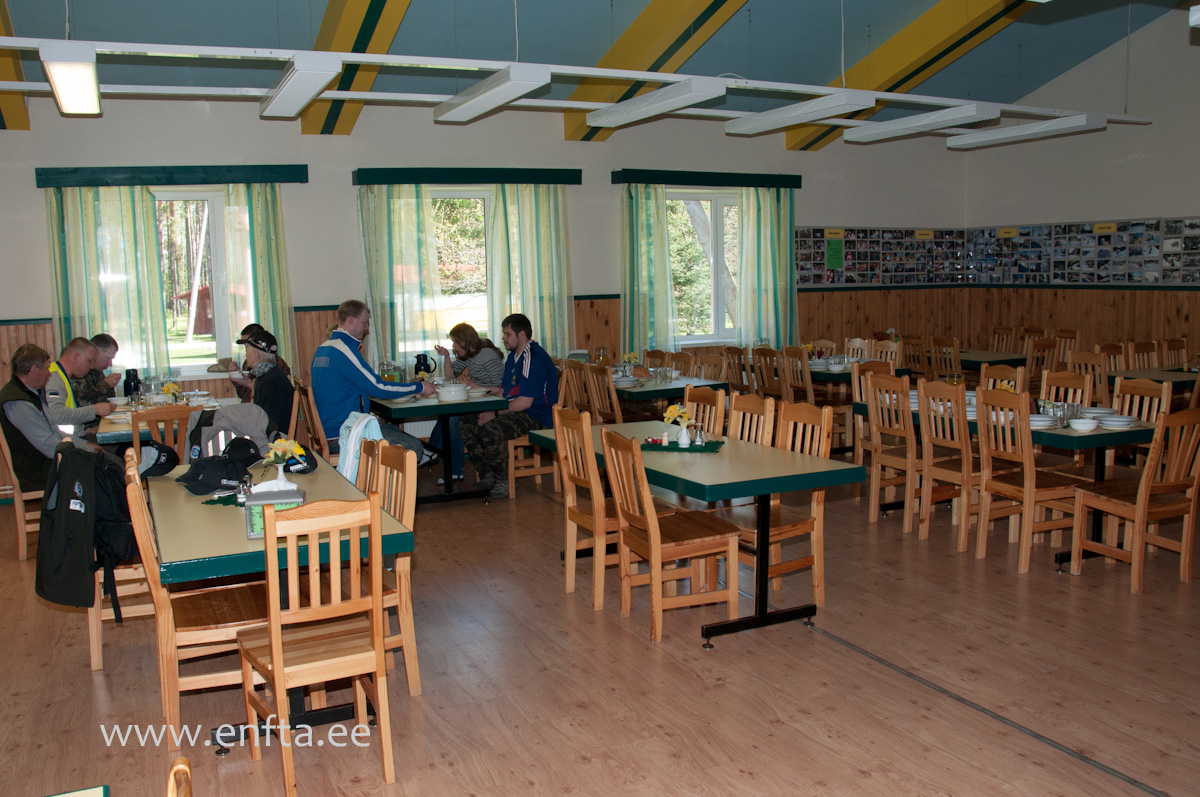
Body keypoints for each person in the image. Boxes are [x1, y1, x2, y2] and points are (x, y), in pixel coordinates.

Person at [310, 299, 435, 460]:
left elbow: (344, 390)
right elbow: (379, 387)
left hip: (330, 429)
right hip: (344, 434)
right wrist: (420, 387)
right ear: (351, 320)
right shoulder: (344, 350)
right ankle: (381, 484)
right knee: (412, 447)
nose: (367, 328)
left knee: (393, 431)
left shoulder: (324, 348)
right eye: (365, 323)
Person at [458, 313, 559, 499]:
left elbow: (524, 402)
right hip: (521, 411)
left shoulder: (532, 357)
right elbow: (505, 391)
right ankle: (489, 474)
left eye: (507, 334)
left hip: (538, 415)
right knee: (466, 423)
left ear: (521, 335)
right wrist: (478, 388)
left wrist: (495, 413)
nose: (503, 338)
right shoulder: (513, 357)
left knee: (490, 428)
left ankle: (504, 480)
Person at [0, 344, 106, 492]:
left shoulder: (31, 394)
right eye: (46, 369)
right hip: (39, 472)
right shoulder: (18, 402)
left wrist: (84, 445)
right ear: (34, 371)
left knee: (105, 462)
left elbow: (54, 430)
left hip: (50, 462)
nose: (50, 374)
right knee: (105, 470)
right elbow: (48, 445)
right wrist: (83, 450)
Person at [431, 323, 505, 483]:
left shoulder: (487, 355)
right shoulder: (467, 356)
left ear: (466, 341)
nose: (454, 346)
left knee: (453, 418)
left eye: (456, 342)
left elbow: (501, 388)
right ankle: (433, 452)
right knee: (448, 413)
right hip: (479, 400)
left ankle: (439, 457)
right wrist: (446, 357)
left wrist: (474, 386)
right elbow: (450, 377)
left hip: (493, 404)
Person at [45, 337, 116, 429]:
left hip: (72, 437)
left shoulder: (63, 376)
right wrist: (94, 410)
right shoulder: (52, 377)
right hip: (64, 441)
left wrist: (88, 431)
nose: (91, 367)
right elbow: (56, 415)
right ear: (76, 357)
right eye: (90, 361)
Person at [241, 328, 294, 435]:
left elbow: (270, 424)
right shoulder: (266, 375)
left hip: (275, 441)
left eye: (246, 350)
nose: (245, 354)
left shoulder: (271, 381)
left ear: (255, 353)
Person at [229, 323, 292, 403]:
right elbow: (242, 394)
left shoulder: (275, 370)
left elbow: (274, 400)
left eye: (247, 347)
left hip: (257, 412)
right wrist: (238, 377)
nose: (245, 351)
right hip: (251, 410)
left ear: (256, 351)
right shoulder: (248, 364)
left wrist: (250, 384)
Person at [70, 333, 121, 406]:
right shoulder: (79, 371)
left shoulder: (98, 372)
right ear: (95, 352)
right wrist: (105, 384)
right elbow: (80, 402)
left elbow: (108, 399)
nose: (110, 364)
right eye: (107, 359)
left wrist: (109, 385)